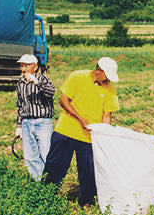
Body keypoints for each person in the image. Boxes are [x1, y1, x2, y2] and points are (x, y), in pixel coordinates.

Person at [44, 57, 120, 206]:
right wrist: (81, 119)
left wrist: (106, 137)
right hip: (66, 130)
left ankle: (88, 203)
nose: (108, 81)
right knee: (55, 165)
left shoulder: (109, 89)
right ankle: (45, 197)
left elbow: (107, 115)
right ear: (98, 71)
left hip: (89, 137)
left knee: (89, 171)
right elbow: (63, 100)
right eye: (106, 77)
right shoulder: (77, 77)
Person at [13, 54, 56, 180]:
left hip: (42, 122)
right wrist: (19, 125)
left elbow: (51, 92)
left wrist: (37, 83)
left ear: (35, 67)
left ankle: (51, 182)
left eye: (26, 65)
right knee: (31, 156)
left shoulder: (43, 79)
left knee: (46, 154)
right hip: (27, 122)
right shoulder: (20, 83)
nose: (23, 69)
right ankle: (37, 183)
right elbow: (20, 105)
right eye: (21, 66)